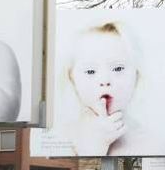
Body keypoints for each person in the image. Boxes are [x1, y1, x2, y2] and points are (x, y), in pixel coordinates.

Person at [60, 21, 150, 156]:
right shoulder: (60, 137)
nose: (105, 81)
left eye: (118, 68)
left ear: (136, 75)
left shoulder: (152, 142)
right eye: (90, 71)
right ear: (72, 78)